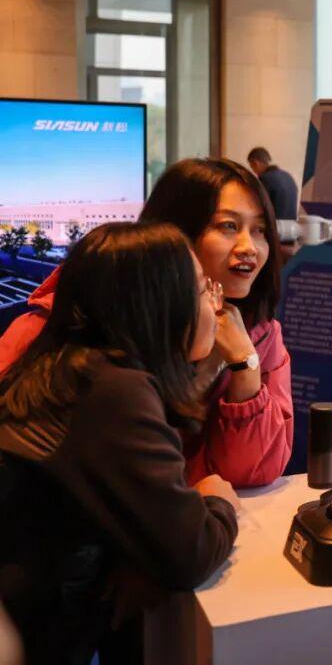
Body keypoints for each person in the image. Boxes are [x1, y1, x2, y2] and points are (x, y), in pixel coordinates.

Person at [0, 222, 239, 663]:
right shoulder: (111, 392)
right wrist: (218, 501)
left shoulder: (64, 368)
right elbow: (190, 551)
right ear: (160, 304)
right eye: (204, 289)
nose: (215, 304)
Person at [0, 158, 293, 488]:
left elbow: (255, 472)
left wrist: (246, 366)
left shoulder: (259, 332)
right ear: (171, 234)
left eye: (260, 230)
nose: (249, 247)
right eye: (228, 226)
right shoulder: (63, 324)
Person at [247, 147, 299, 222]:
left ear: (256, 163)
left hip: (275, 225)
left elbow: (259, 206)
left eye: (252, 167)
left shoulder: (265, 178)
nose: (253, 171)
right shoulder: (287, 176)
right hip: (291, 226)